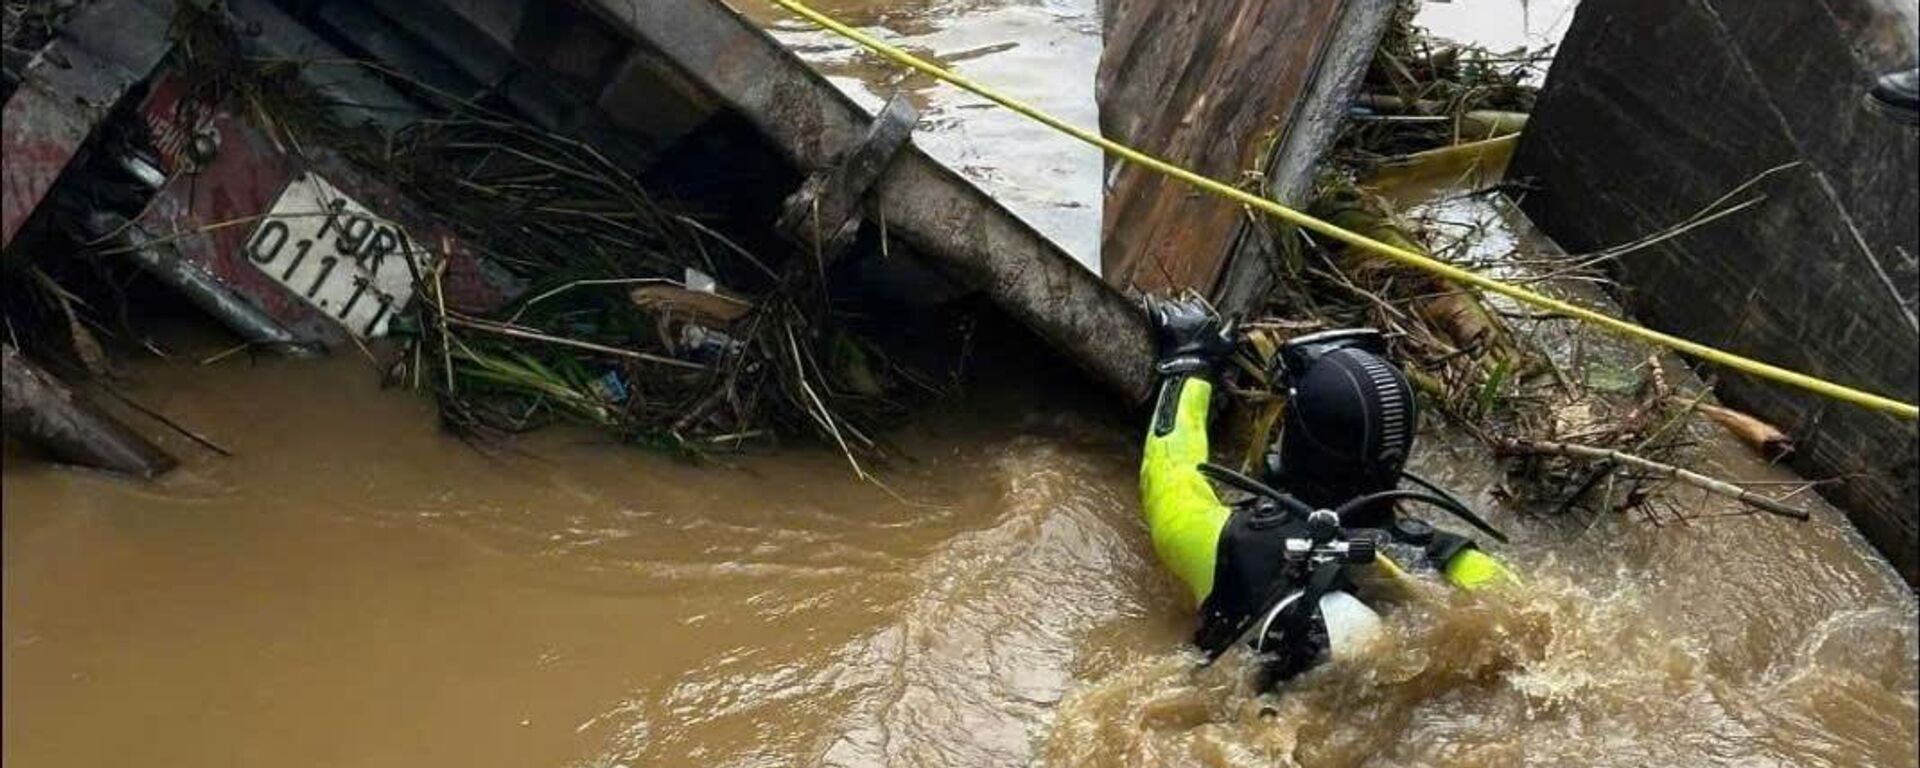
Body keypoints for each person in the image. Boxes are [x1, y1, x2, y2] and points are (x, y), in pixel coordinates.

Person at [1138, 295, 1514, 683]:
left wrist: (1189, 363)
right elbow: (1528, 621)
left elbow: (1169, 471)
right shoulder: (1446, 557)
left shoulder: (1231, 542)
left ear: (1298, 443)